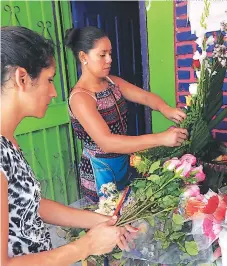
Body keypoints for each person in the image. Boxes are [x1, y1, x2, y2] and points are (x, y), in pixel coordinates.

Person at [0, 26, 137, 266]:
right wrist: (86, 246)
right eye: (49, 79)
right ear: (22, 78)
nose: (54, 92)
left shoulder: (8, 140)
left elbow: (30, 204)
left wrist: (97, 219)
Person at [65, 26, 188, 202]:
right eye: (102, 55)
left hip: (123, 161)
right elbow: (107, 143)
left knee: (127, 211)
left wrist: (165, 108)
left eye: (110, 53)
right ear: (84, 57)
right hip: (100, 171)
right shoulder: (81, 97)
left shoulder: (112, 83)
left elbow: (145, 97)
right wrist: (162, 138)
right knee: (109, 217)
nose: (109, 60)